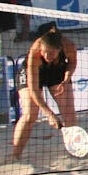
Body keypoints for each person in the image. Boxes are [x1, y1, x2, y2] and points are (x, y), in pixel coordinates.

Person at [12, 26, 78, 160]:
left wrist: (66, 79)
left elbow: (72, 62)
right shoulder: (35, 53)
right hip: (34, 73)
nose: (47, 56)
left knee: (69, 113)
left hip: (57, 71)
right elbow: (34, 91)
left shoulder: (68, 46)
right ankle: (16, 155)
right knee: (30, 114)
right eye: (45, 52)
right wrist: (49, 114)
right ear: (41, 48)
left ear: (59, 50)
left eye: (51, 53)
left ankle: (75, 149)